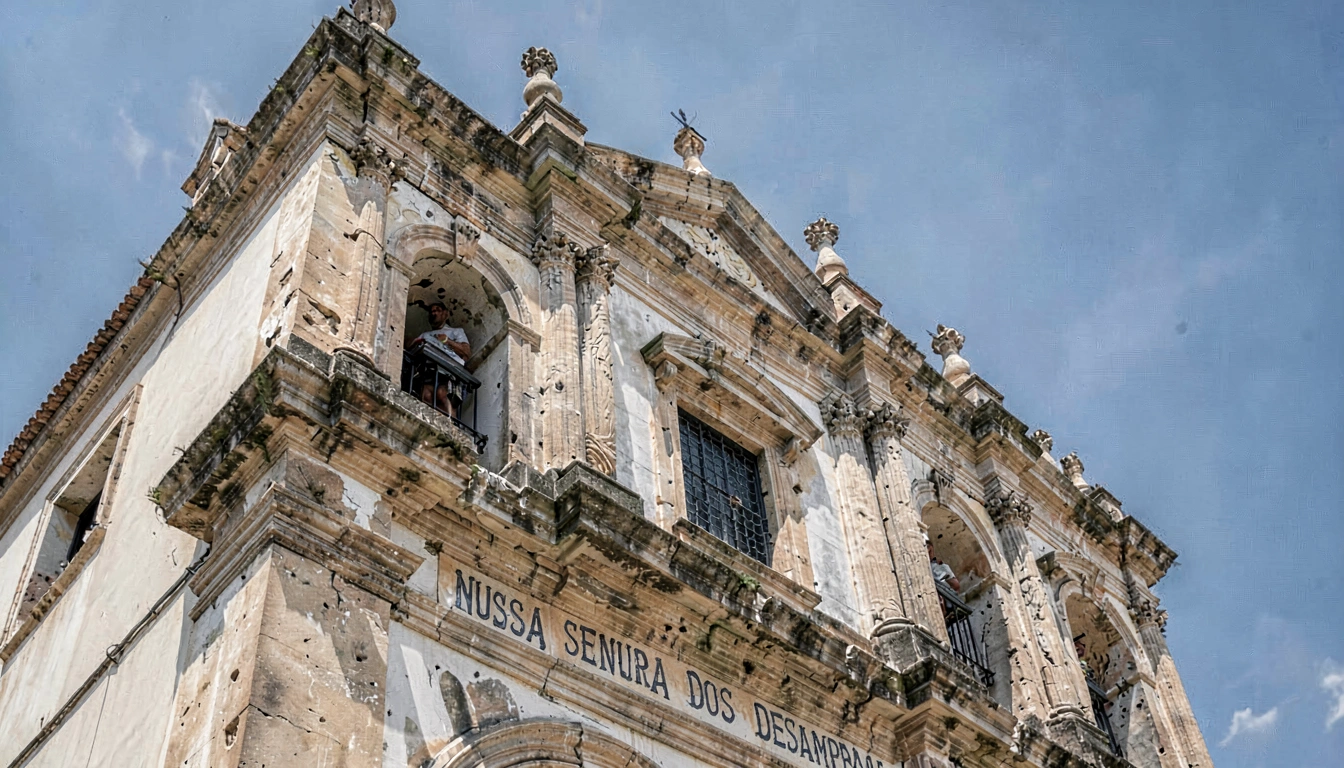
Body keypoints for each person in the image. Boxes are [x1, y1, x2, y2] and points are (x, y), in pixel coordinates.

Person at [408, 302, 470, 416]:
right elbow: (410, 347)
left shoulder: (456, 331)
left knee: (442, 394)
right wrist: (414, 342)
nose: (434, 313)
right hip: (429, 369)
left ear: (446, 314)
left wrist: (447, 341)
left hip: (449, 370)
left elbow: (466, 352)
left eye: (437, 310)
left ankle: (450, 423)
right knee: (426, 394)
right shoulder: (425, 335)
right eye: (431, 311)